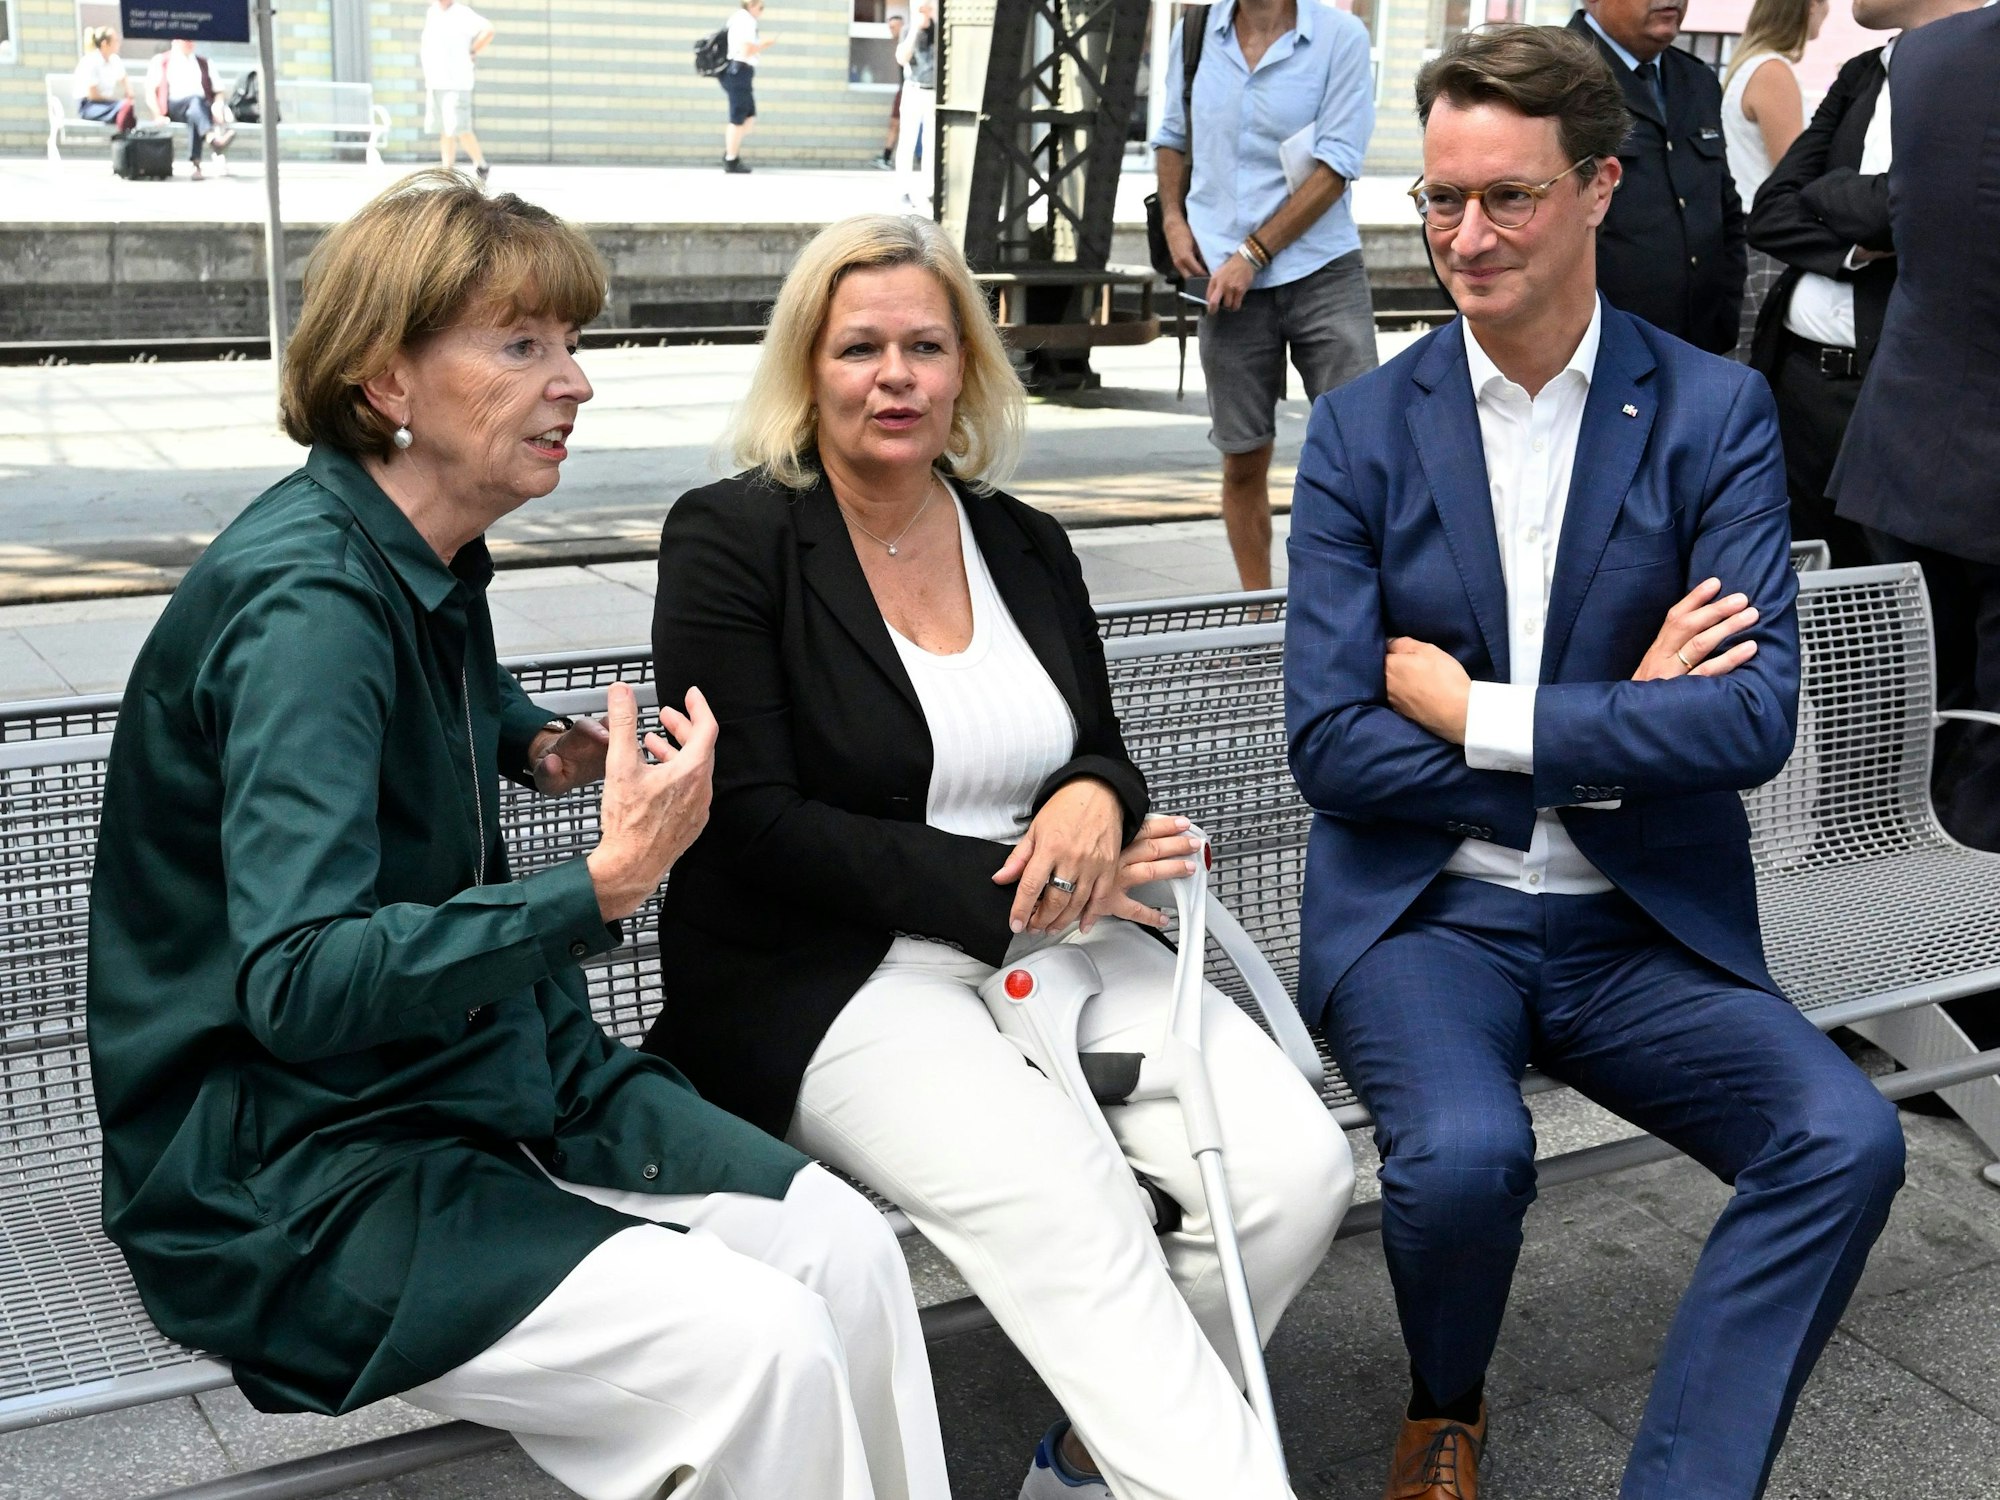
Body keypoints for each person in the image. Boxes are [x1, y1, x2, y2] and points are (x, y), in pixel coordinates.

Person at [87, 173, 950, 1500]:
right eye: (521, 345)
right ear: (388, 379)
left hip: (463, 1073)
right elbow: (297, 982)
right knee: (763, 1345)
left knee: (844, 1248)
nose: (575, 382)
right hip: (296, 1169)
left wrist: (534, 739)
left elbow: (435, 667)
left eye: (572, 342)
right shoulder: (309, 607)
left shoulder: (416, 543)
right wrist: (604, 883)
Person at [1286, 27, 1904, 1500]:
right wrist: (1617, 723)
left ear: (1598, 188)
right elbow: (1331, 745)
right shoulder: (1364, 430)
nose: (1465, 236)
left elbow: (1748, 722)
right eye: (1440, 199)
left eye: (1506, 197)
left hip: (1642, 924)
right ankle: (1445, 1403)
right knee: (1462, 1160)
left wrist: (1481, 717)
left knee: (1842, 1138)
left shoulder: (1709, 411)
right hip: (1428, 918)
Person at [647, 212, 1351, 1500]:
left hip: (1063, 938)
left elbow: (1098, 748)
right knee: (1074, 1212)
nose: (895, 377)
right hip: (840, 973)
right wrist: (1023, 881)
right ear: (805, 366)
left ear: (967, 366)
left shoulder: (1020, 539)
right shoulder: (731, 537)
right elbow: (746, 819)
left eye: (925, 346)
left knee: (1293, 1175)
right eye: (859, 348)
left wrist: (1089, 795)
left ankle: (1082, 1467)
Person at [1831, 2, 2000, 855]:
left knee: (1887, 729)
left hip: (1908, 446)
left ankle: (1869, 890)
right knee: (1983, 774)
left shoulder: (1930, 56)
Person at [1151, 0, 1378, 592]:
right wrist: (1174, 219)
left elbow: (1336, 165)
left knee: (1361, 448)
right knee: (1243, 457)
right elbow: (1171, 137)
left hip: (1320, 269)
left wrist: (1252, 254)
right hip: (1223, 280)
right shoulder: (1196, 32)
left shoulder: (1341, 37)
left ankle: (1349, 597)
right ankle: (1256, 610)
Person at [1752, 0, 1984, 575]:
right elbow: (1772, 210)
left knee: (1886, 593)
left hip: (1894, 399)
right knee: (1787, 580)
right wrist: (1856, 250)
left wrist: (1831, 191)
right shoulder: (1863, 72)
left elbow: (1909, 208)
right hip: (1796, 384)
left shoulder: (1981, 72)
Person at [1569, 0, 1747, 355]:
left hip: (1696, 342)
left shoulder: (1696, 79)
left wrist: (1725, 314)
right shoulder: (1557, 77)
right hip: (1593, 347)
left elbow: (1723, 205)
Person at [1718, 0, 1827, 358]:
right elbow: (1795, 171)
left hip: (1747, 230)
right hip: (1765, 239)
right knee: (1756, 357)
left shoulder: (1751, 65)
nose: (1827, 12)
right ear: (1807, 7)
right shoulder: (1772, 71)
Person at [421, 0, 494, 180]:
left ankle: (481, 165)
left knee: (459, 127)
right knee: (444, 129)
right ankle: (447, 171)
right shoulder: (433, 12)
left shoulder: (463, 13)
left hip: (456, 83)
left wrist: (473, 50)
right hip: (435, 81)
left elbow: (489, 30)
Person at [146, 39, 233, 179]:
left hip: (199, 109)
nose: (190, 43)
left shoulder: (204, 62)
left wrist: (217, 105)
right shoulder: (161, 61)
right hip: (173, 107)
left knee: (194, 112)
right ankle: (212, 139)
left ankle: (196, 165)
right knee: (195, 103)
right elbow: (150, 91)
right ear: (176, 40)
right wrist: (157, 115)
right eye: (186, 40)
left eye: (192, 39)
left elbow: (219, 91)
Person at [721, 0, 772, 174]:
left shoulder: (738, 19)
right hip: (739, 70)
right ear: (751, 5)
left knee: (748, 117)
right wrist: (765, 45)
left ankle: (731, 150)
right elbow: (746, 50)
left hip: (739, 71)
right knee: (738, 116)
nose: (761, 11)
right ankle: (731, 159)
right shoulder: (746, 20)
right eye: (760, 7)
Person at [894, 0, 937, 204]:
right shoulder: (907, 31)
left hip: (934, 92)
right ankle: (903, 190)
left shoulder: (939, 32)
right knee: (907, 140)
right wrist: (915, 30)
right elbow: (902, 57)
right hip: (913, 89)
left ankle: (930, 190)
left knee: (932, 142)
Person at [73, 26, 135, 137]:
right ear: (105, 43)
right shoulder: (90, 61)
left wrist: (129, 92)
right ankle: (124, 139)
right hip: (89, 105)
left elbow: (124, 78)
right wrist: (117, 101)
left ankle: (125, 138)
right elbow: (93, 95)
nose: (118, 43)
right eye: (115, 40)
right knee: (125, 109)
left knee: (127, 110)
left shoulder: (114, 60)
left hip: (106, 104)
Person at [877, 9, 906, 169]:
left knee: (896, 123)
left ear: (902, 26)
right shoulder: (900, 44)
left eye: (894, 27)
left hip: (910, 89)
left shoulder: (907, 43)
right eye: (890, 28)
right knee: (895, 123)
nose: (892, 31)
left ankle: (887, 158)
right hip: (904, 89)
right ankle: (886, 157)